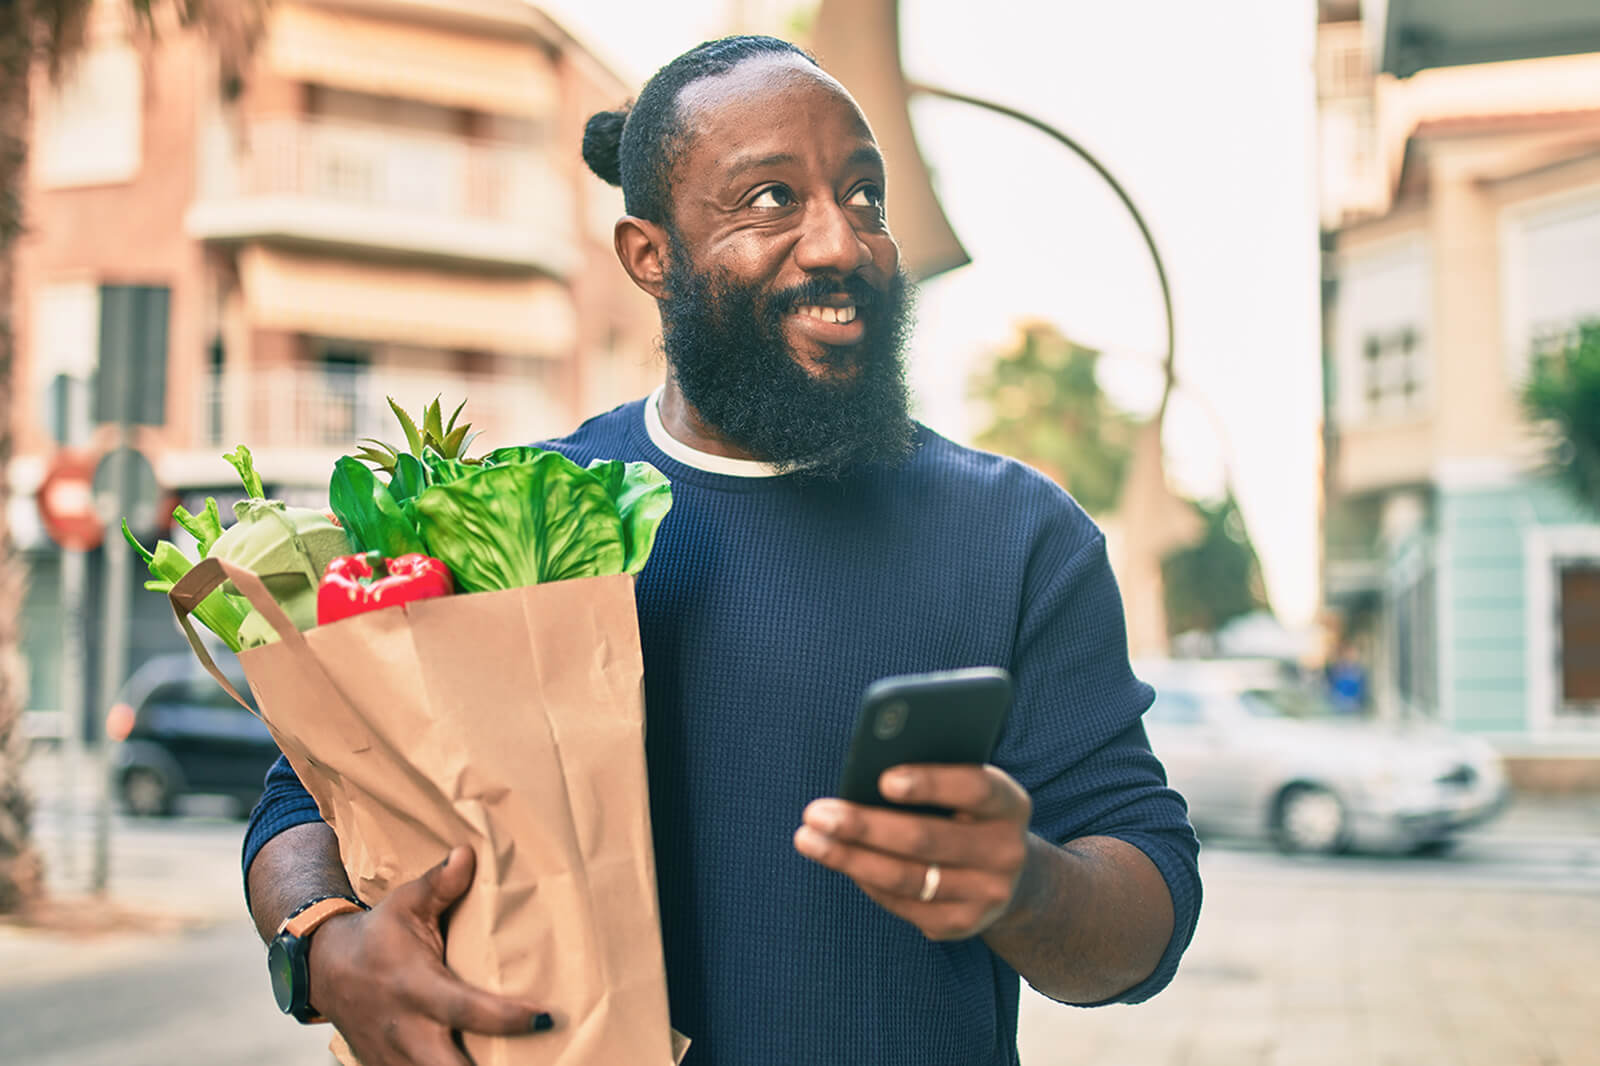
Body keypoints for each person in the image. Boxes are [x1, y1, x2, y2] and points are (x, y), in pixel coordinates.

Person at [242, 35, 1201, 1066]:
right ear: (649, 256)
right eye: (771, 199)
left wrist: (1025, 883)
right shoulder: (514, 516)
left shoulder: (1018, 535)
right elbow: (307, 794)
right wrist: (323, 944)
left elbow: (1145, 905)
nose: (842, 242)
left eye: (865, 195)